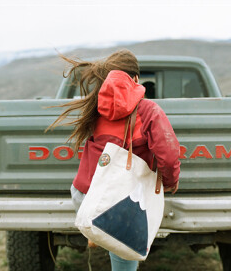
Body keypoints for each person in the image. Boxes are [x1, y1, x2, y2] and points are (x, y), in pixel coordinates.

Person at [48, 49, 180, 271]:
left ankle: (97, 233)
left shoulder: (96, 107)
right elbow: (168, 155)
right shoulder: (148, 110)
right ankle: (105, 235)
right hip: (117, 203)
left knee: (111, 237)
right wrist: (169, 181)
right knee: (125, 256)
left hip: (83, 195)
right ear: (136, 79)